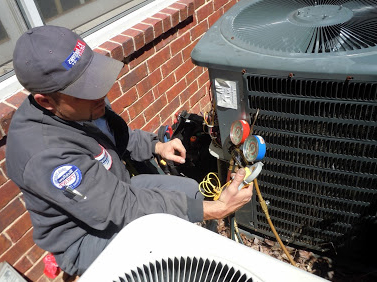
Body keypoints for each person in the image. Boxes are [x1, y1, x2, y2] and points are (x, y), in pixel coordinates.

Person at [5, 25, 253, 276]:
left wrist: (156, 145)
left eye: (93, 79)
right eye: (85, 90)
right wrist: (216, 208)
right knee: (170, 247)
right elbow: (119, 207)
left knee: (191, 193)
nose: (100, 92)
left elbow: (115, 136)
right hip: (84, 237)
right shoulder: (44, 155)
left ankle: (210, 261)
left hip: (116, 191)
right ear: (45, 102)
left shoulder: (83, 103)